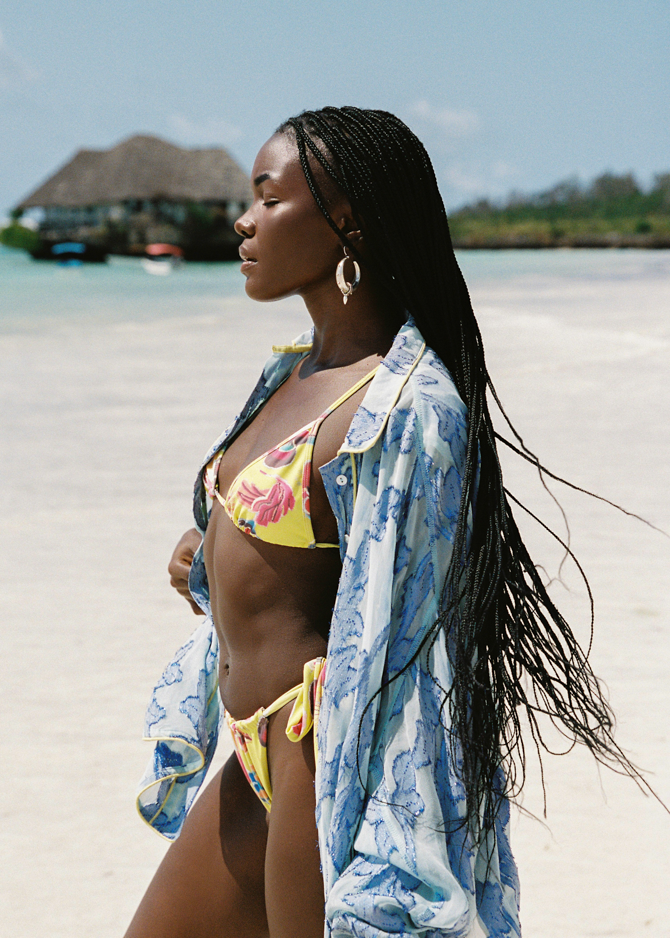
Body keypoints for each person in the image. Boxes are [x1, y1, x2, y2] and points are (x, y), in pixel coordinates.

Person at [126, 107, 627, 939]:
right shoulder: (291, 367)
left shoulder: (409, 405)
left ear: (345, 221)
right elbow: (286, 540)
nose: (243, 221)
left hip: (320, 760)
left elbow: (411, 636)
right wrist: (204, 556)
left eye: (269, 199)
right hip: (252, 754)